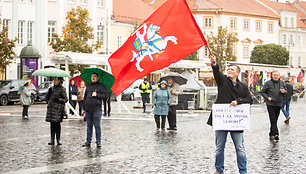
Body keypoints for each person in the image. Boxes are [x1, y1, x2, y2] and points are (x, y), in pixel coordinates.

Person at [207, 54, 252, 174]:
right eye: (228, 69)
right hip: (222, 120)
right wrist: (214, 64)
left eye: (232, 69)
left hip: (236, 122)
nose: (229, 71)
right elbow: (217, 73)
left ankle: (243, 171)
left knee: (240, 148)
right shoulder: (223, 81)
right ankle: (219, 170)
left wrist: (238, 101)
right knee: (219, 147)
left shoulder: (243, 86)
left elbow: (250, 100)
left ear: (238, 73)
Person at [82, 73, 107, 148]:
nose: (93, 78)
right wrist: (84, 108)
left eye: (94, 76)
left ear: (97, 77)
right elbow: (85, 97)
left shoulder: (101, 86)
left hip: (97, 109)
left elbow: (106, 96)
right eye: (92, 76)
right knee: (89, 126)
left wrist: (97, 95)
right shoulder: (88, 86)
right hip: (88, 109)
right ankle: (88, 141)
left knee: (97, 126)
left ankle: (98, 141)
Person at [261, 71, 286, 140]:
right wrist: (267, 97)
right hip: (270, 104)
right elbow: (263, 92)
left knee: (275, 119)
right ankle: (276, 134)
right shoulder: (268, 83)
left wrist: (284, 92)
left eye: (277, 75)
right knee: (273, 119)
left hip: (278, 103)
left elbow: (285, 91)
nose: (276, 76)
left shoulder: (282, 83)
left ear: (279, 76)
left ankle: (271, 133)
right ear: (272, 76)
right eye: (274, 75)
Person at [45, 77, 68, 145]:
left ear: (59, 80)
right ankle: (52, 139)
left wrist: (58, 100)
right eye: (54, 79)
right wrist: (48, 95)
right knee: (52, 125)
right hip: (51, 109)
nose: (54, 81)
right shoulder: (51, 89)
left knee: (57, 125)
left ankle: (58, 139)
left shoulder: (62, 89)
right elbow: (47, 98)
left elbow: (65, 99)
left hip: (58, 109)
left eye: (56, 79)